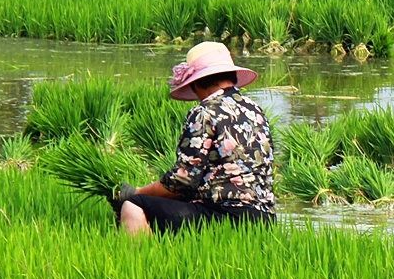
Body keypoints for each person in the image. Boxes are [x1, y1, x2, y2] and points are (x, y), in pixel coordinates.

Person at [113, 41, 276, 236]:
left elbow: (182, 181)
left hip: (225, 216)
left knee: (133, 206)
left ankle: (142, 261)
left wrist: (137, 192)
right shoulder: (255, 110)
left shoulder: (205, 112)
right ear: (231, 76)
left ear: (199, 82)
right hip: (264, 220)